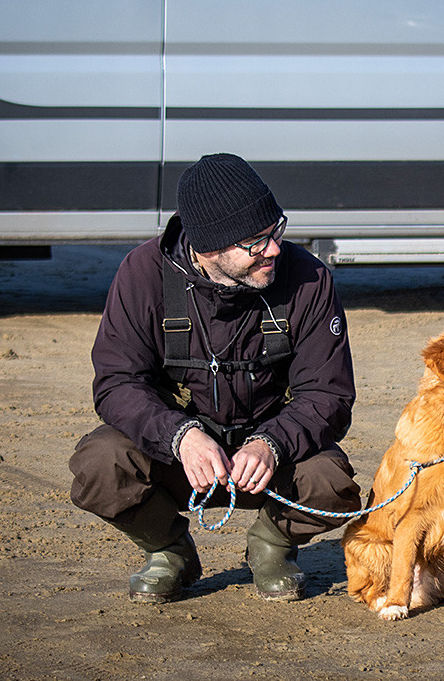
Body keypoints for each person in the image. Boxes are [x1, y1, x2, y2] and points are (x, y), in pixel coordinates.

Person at [69, 153, 361, 603]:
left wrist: (272, 443)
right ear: (207, 250)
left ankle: (271, 547)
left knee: (332, 483)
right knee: (99, 464)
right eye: (255, 243)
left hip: (268, 462)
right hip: (178, 458)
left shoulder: (308, 279)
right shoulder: (142, 274)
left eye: (276, 231)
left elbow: (329, 394)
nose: (275, 250)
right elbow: (116, 383)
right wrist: (179, 436)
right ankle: (169, 550)